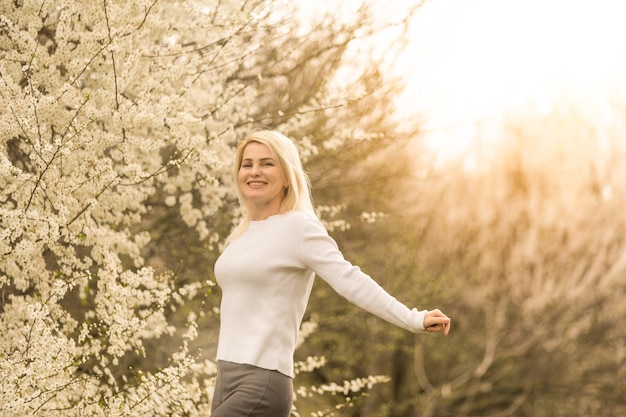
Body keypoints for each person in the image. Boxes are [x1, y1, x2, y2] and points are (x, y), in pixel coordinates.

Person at [211, 130, 451, 417]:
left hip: (263, 380)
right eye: (247, 164)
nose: (255, 172)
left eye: (267, 163)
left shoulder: (299, 228)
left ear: (287, 176)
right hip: (225, 375)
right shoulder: (240, 235)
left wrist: (414, 318)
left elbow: (351, 280)